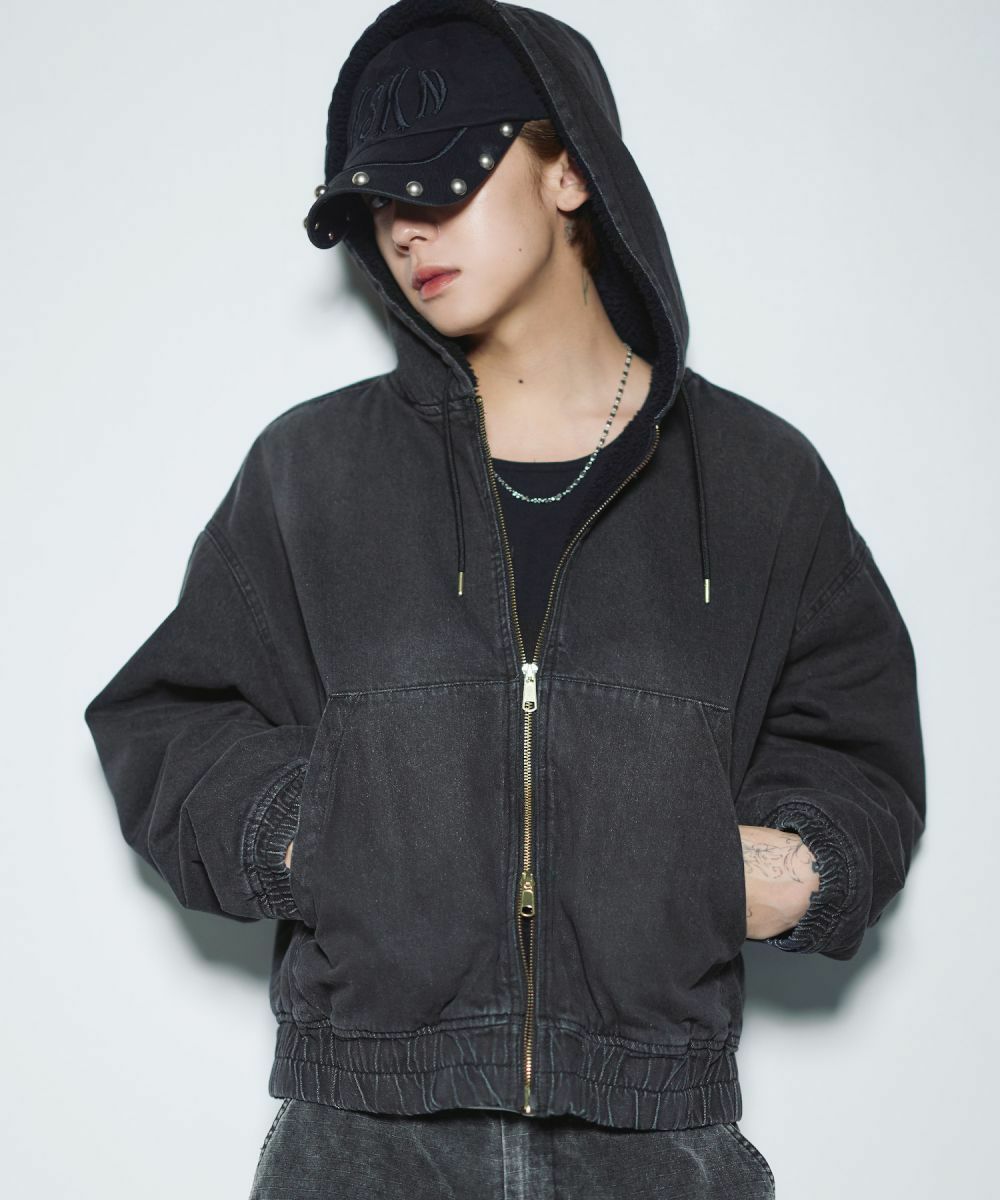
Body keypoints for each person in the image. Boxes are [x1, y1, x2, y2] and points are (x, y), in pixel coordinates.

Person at [82, 2, 926, 1196]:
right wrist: (314, 839)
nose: (406, 226)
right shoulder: (312, 473)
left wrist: (782, 870)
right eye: (381, 201)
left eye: (445, 180)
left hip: (655, 1133)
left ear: (570, 170)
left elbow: (855, 750)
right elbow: (170, 721)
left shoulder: (754, 480)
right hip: (360, 1138)